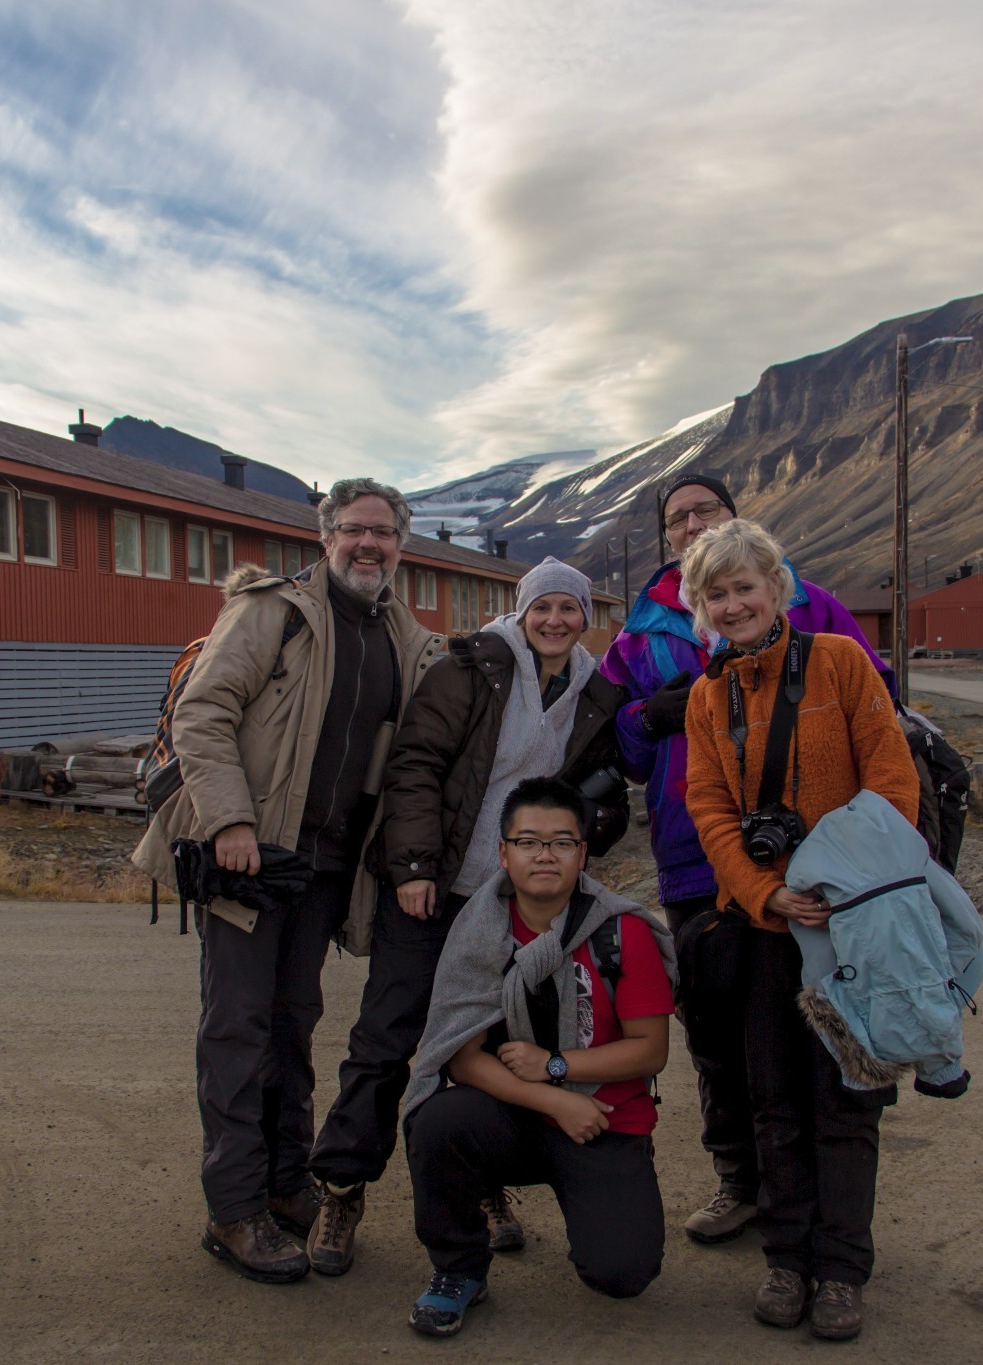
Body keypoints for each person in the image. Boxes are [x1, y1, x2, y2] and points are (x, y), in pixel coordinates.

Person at [133, 478, 443, 1285]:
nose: (367, 544)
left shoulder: (403, 633)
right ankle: (233, 1209)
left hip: (327, 867)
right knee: (236, 1025)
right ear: (325, 536)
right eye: (353, 529)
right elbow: (204, 714)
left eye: (382, 532)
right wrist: (230, 820)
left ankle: (284, 1180)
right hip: (250, 854)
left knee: (293, 1022)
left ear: (400, 546)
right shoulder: (273, 611)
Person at [304, 558, 627, 1276]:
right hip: (438, 887)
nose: (554, 621)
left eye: (568, 610)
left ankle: (480, 1185)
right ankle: (341, 1186)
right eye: (542, 607)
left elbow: (601, 797)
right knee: (388, 1038)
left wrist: (589, 831)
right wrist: (415, 867)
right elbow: (414, 764)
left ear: (584, 617)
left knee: (498, 1043)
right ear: (520, 610)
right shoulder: (471, 666)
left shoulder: (594, 689)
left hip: (517, 904)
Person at [597, 471, 895, 1246]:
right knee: (723, 1035)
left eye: (706, 510)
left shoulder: (811, 606)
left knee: (829, 1042)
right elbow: (618, 738)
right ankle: (743, 1181)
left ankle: (827, 1222)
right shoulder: (642, 628)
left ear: (738, 523)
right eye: (676, 517)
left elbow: (876, 705)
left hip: (825, 866)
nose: (692, 522)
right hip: (696, 854)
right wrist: (645, 715)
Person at [678, 518, 921, 1342]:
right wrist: (763, 893)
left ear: (777, 588)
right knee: (772, 1097)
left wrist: (831, 885)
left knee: (848, 1098)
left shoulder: (842, 663)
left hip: (851, 927)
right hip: (764, 925)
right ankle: (786, 1257)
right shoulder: (709, 695)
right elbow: (708, 807)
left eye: (746, 586)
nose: (734, 602)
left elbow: (892, 783)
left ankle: (842, 1269)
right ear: (701, 608)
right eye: (717, 593)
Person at [396, 777, 674, 1337]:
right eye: (528, 841)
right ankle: (458, 1270)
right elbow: (459, 1058)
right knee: (438, 1120)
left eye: (562, 842)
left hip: (602, 1121)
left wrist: (556, 1065)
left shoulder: (619, 930)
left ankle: (605, 1192)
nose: (544, 855)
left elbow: (651, 1052)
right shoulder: (479, 930)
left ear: (582, 853)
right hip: (514, 1118)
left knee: (621, 1273)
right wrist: (549, 1098)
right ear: (503, 853)